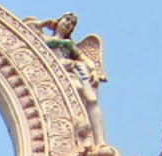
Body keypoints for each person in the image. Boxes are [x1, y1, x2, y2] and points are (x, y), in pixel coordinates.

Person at [24, 13, 106, 146]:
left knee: (78, 89)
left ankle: (81, 124)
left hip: (68, 71)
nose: (69, 24)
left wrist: (93, 70)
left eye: (72, 24)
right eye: (67, 20)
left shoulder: (69, 44)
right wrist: (45, 23)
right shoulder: (43, 38)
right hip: (51, 72)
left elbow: (85, 59)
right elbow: (27, 27)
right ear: (58, 21)